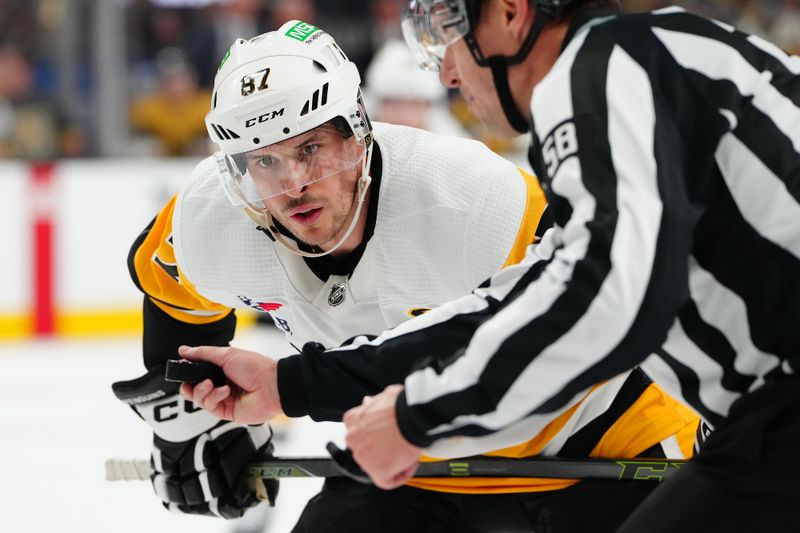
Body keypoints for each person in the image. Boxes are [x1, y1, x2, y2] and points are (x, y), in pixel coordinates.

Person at [179, 2, 800, 532]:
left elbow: (602, 304)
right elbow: (531, 299)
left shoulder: (604, 80)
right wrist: (294, 386)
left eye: (449, 33)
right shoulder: (647, 59)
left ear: (510, 12)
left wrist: (411, 415)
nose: (447, 71)